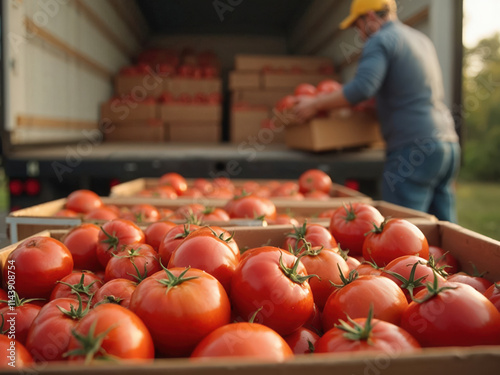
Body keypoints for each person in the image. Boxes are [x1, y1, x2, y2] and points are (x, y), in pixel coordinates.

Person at [293, 0, 461, 222]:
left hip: (412, 147)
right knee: (445, 230)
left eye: (358, 26)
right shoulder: (420, 39)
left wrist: (314, 104)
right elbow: (409, 90)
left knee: (403, 228)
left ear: (370, 18)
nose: (360, 34)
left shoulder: (380, 40)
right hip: (447, 144)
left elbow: (362, 88)